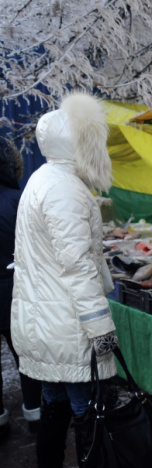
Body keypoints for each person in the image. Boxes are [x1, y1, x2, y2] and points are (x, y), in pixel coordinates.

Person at [11, 91, 133, 468]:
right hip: (68, 325)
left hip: (45, 322)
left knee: (55, 405)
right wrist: (102, 331)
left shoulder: (42, 179)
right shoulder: (65, 189)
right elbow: (78, 268)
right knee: (89, 412)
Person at [0, 137, 44, 441]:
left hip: (13, 288)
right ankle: (35, 414)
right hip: (16, 292)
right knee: (25, 354)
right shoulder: (20, 200)